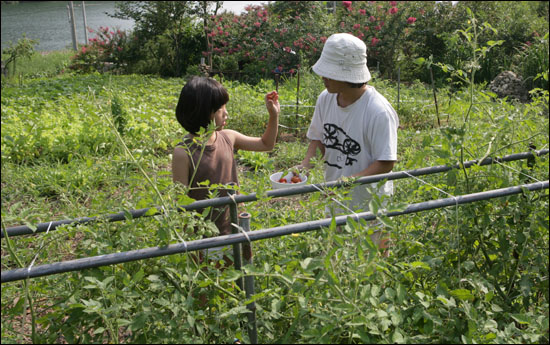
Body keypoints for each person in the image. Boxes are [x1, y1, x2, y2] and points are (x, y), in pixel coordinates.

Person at [298, 33, 399, 254]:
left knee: (374, 262)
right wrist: (305, 164)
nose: (322, 77)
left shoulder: (378, 111)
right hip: (335, 199)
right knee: (335, 260)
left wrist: (348, 183)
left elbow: (386, 162)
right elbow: (318, 139)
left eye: (328, 73)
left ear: (346, 75)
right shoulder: (325, 98)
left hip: (371, 202)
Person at [172, 76, 280, 264]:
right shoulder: (183, 152)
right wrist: (190, 242)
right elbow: (182, 204)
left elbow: (266, 144)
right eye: (221, 109)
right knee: (209, 285)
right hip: (205, 235)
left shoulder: (228, 137)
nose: (226, 113)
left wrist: (274, 115)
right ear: (204, 111)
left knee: (239, 278)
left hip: (235, 225)